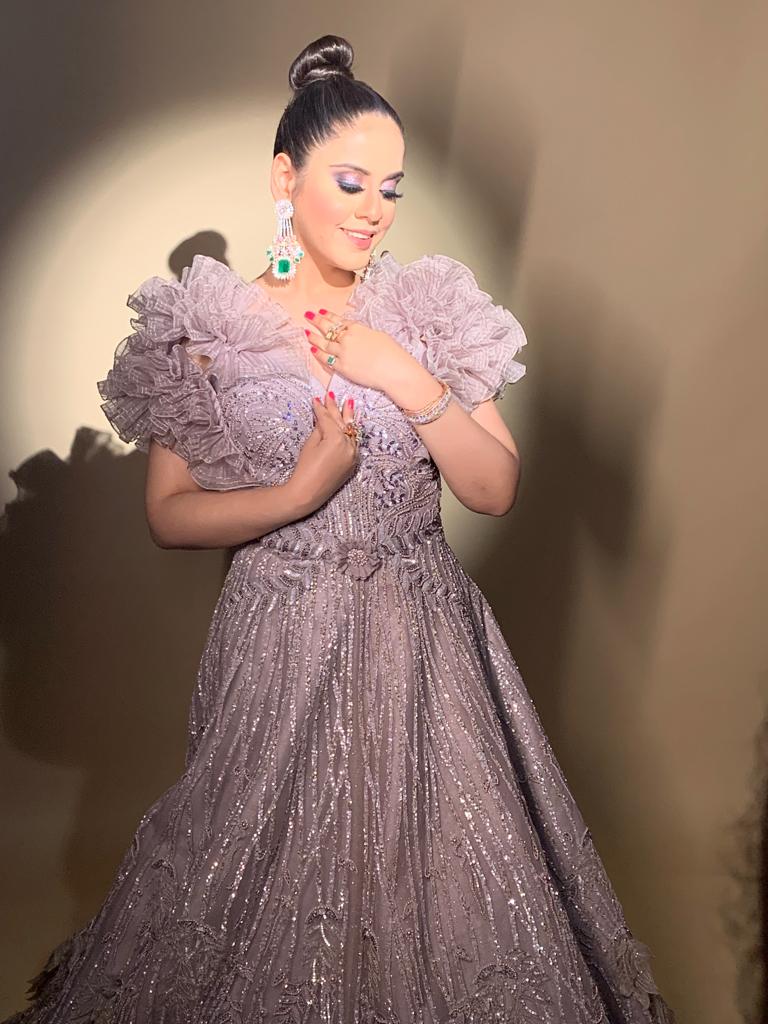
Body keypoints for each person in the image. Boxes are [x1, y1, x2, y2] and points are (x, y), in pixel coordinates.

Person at [3, 33, 676, 1024]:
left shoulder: (428, 309)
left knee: (449, 885)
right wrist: (298, 490)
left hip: (426, 643)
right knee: (255, 885)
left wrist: (398, 371)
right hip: (279, 641)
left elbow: (492, 488)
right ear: (286, 179)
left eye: (390, 189)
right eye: (351, 183)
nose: (372, 210)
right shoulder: (211, 329)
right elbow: (168, 515)